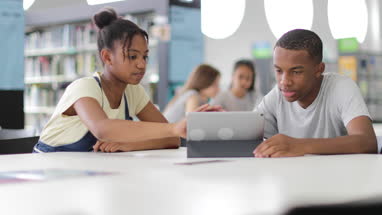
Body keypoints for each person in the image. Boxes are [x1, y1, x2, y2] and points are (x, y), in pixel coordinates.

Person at [33, 8, 220, 153]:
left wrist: (131, 145)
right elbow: (103, 129)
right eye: (132, 56)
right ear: (107, 57)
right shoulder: (84, 87)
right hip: (47, 171)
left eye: (145, 57)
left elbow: (171, 140)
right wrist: (173, 129)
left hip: (86, 172)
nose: (141, 65)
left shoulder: (132, 91)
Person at [253, 29, 377, 158]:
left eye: (296, 72)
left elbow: (367, 142)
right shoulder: (277, 95)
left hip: (338, 175)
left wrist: (299, 146)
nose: (284, 82)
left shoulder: (341, 87)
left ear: (319, 69)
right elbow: (246, 134)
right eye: (279, 71)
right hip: (292, 175)